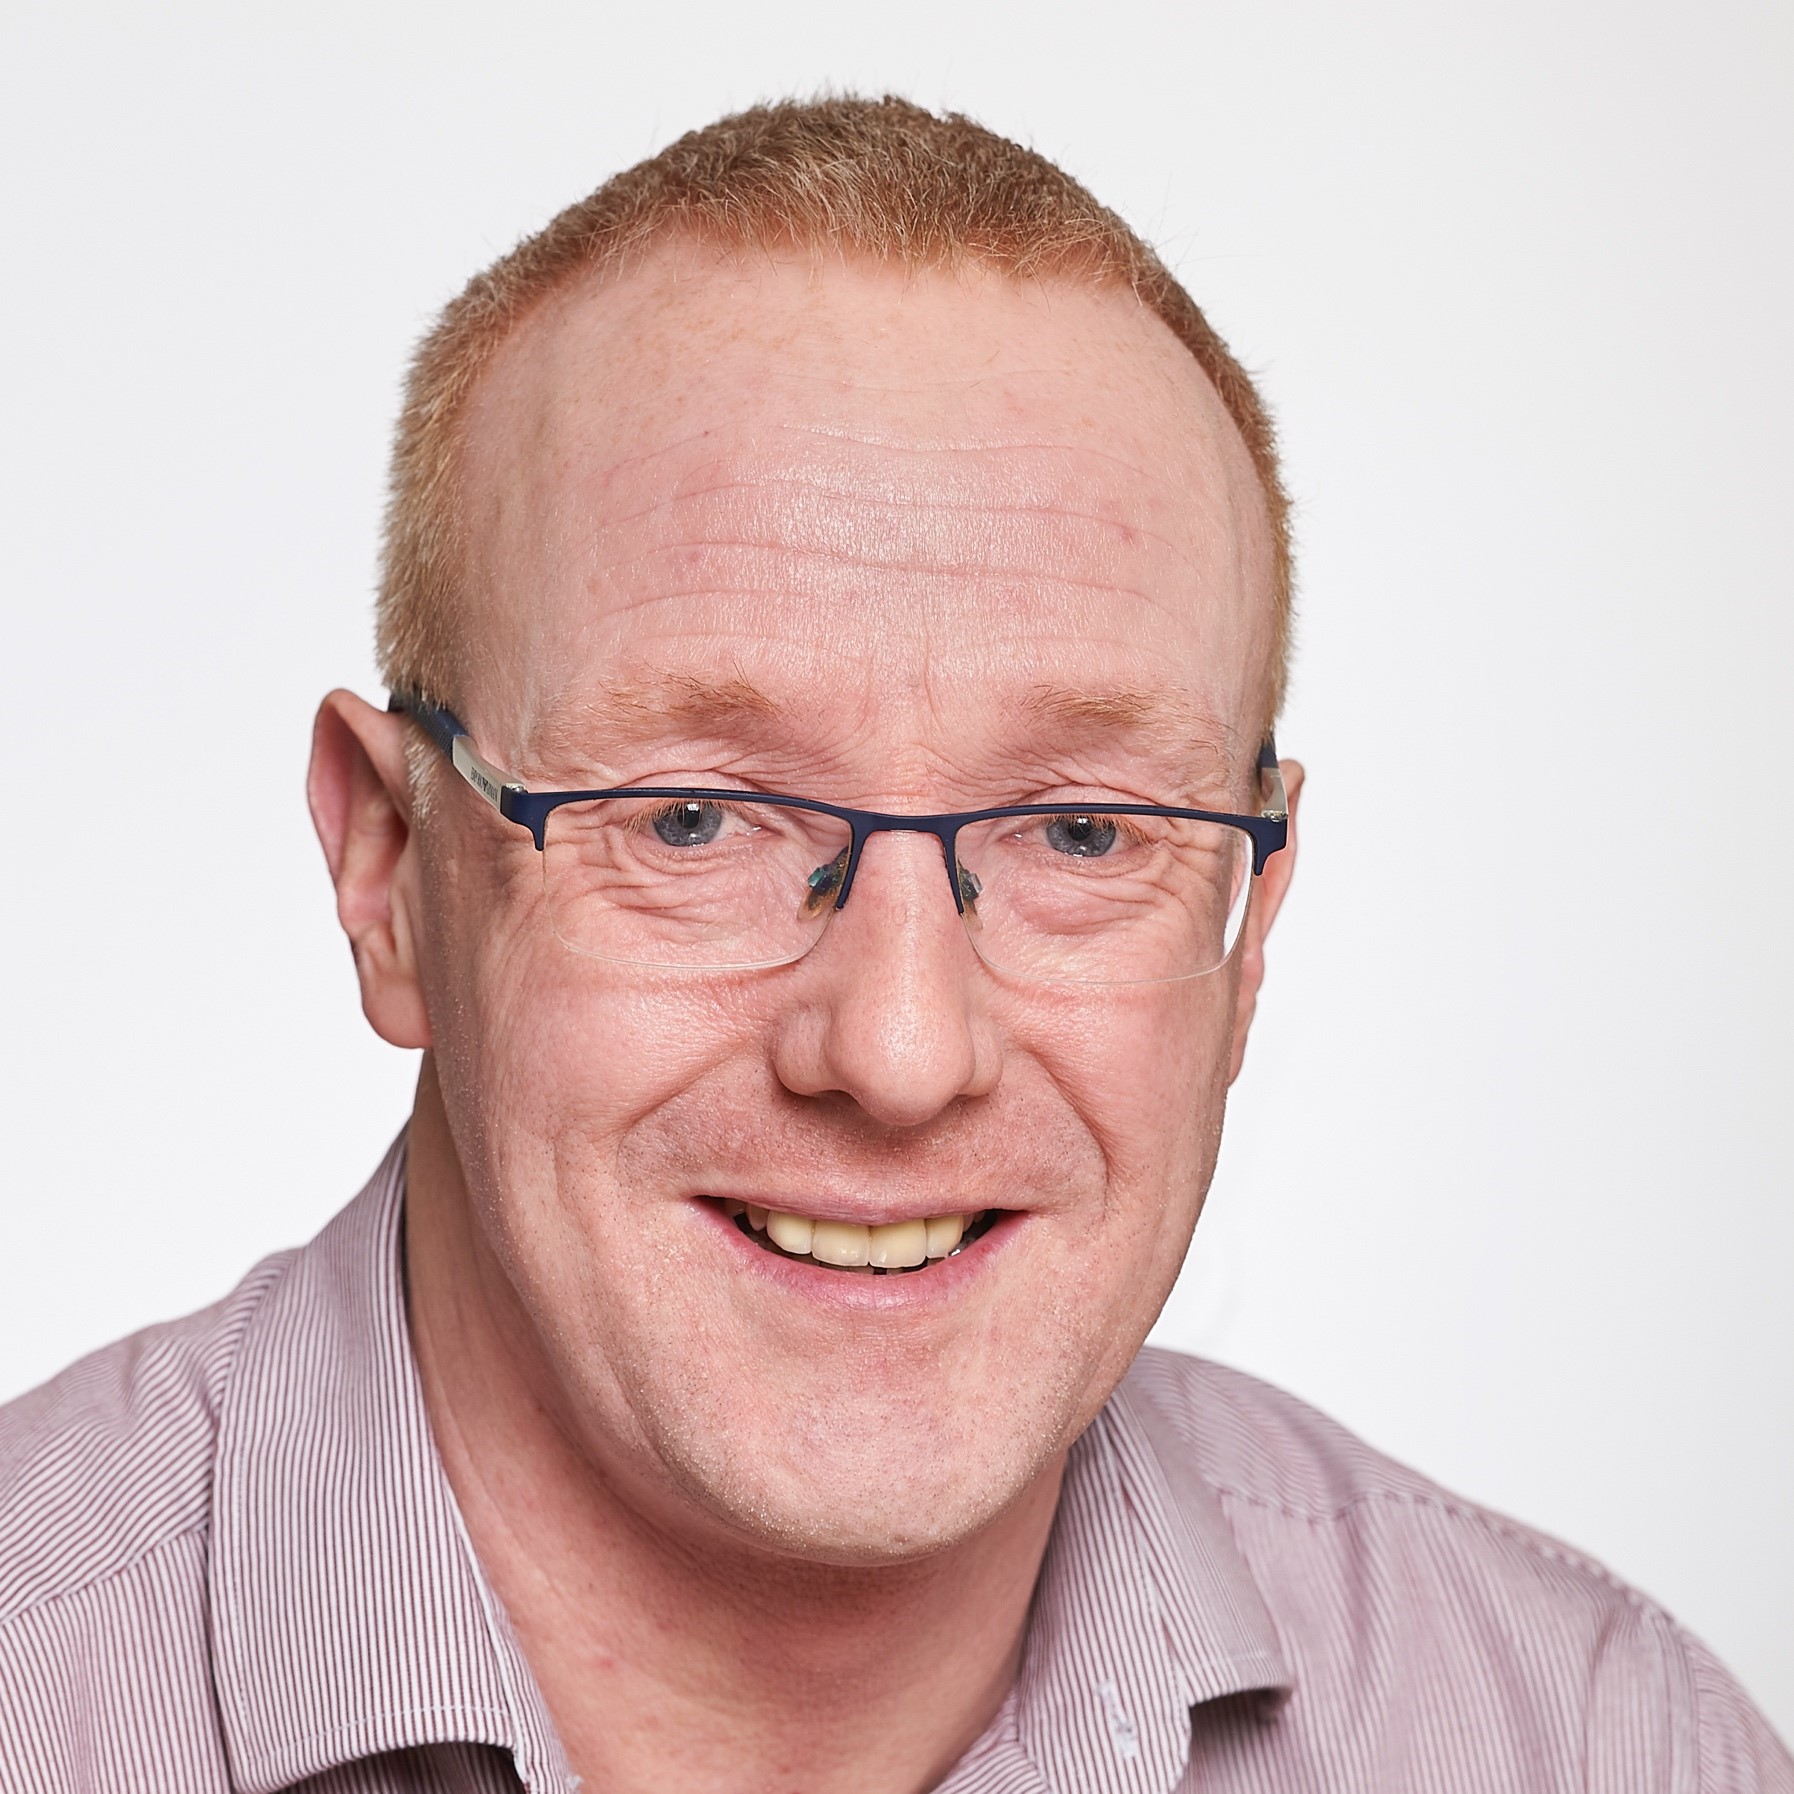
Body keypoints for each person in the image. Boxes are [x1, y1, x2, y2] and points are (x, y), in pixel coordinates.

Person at [0, 95, 1785, 1794]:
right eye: (693, 816)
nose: (902, 1049)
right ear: (391, 868)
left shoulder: (1591, 1739)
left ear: (1248, 938)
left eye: (1085, 830)